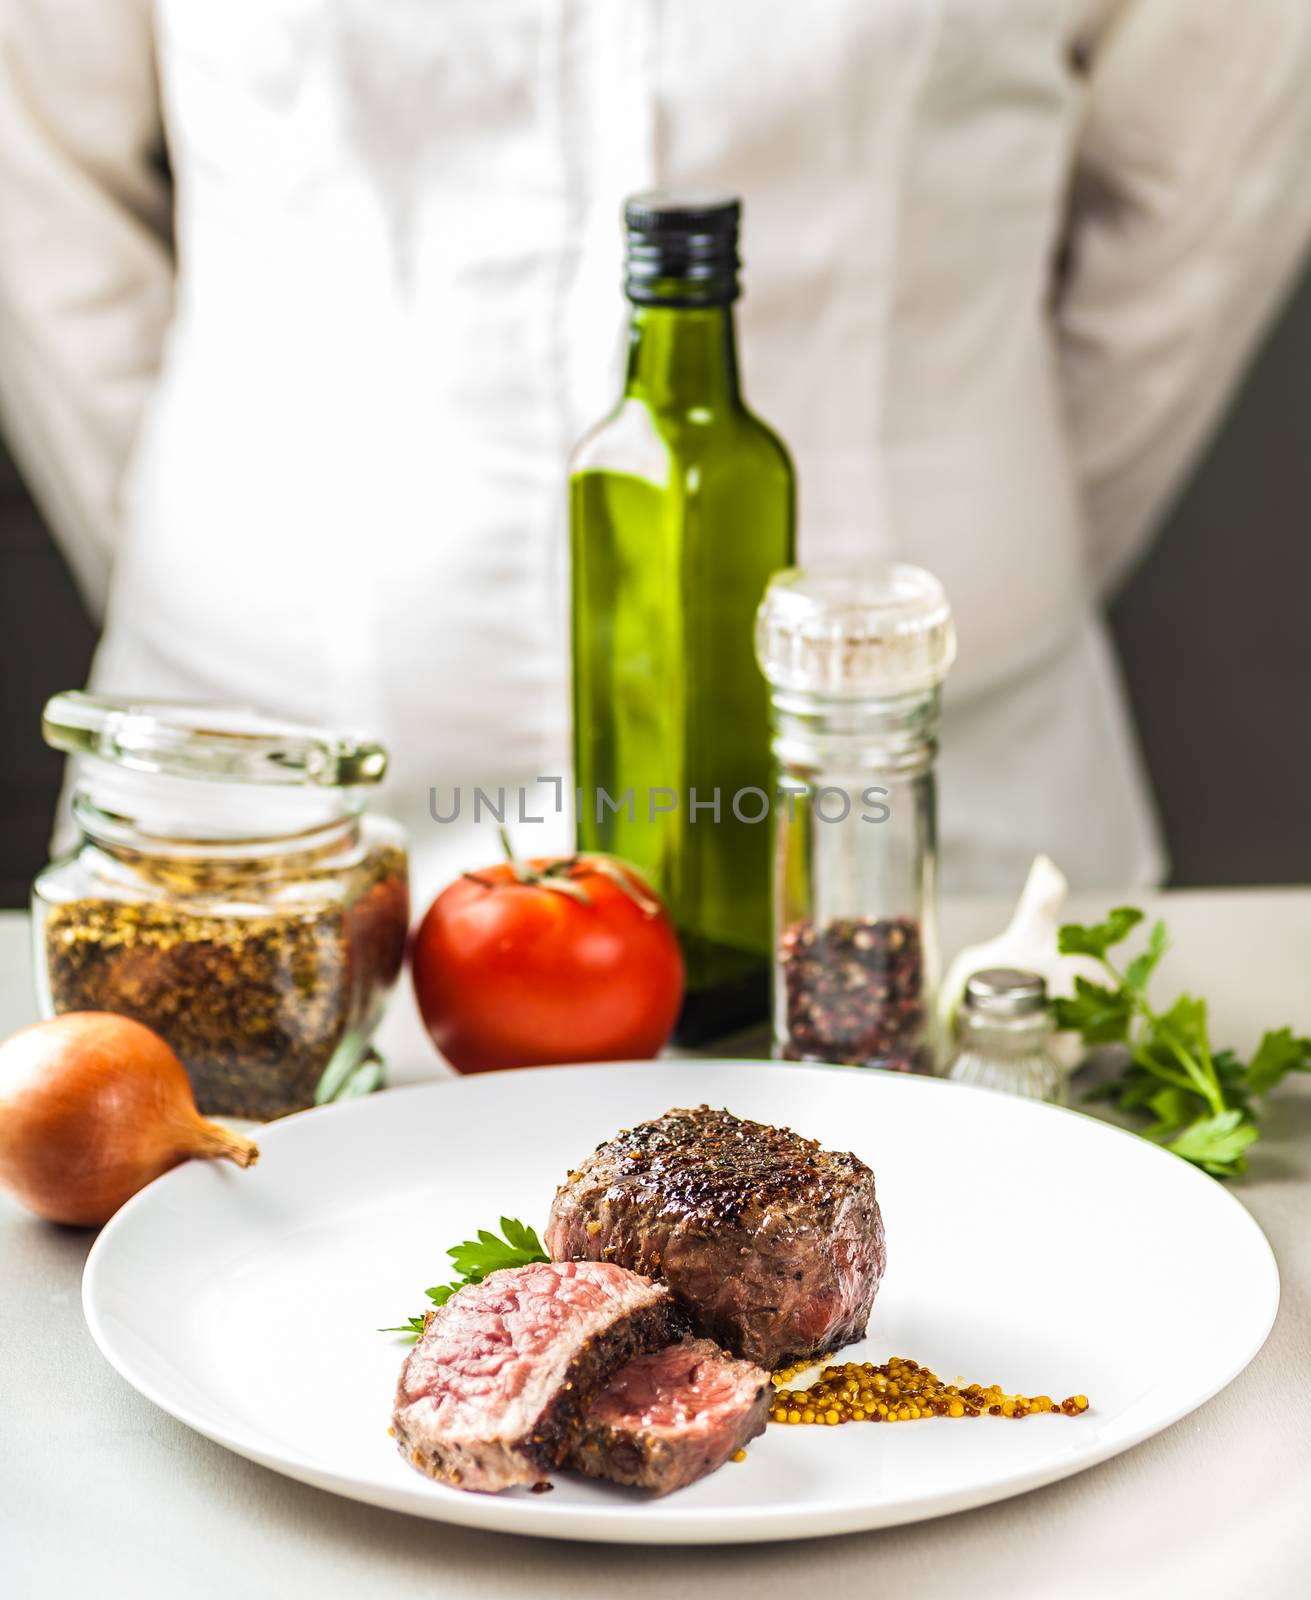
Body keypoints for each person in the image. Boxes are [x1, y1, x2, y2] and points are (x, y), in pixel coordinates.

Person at [2, 0, 1310, 904]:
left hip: (923, 829)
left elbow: (1194, 212)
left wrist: (962, 544)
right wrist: (279, 560)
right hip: (265, 826)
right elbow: (37, 184)